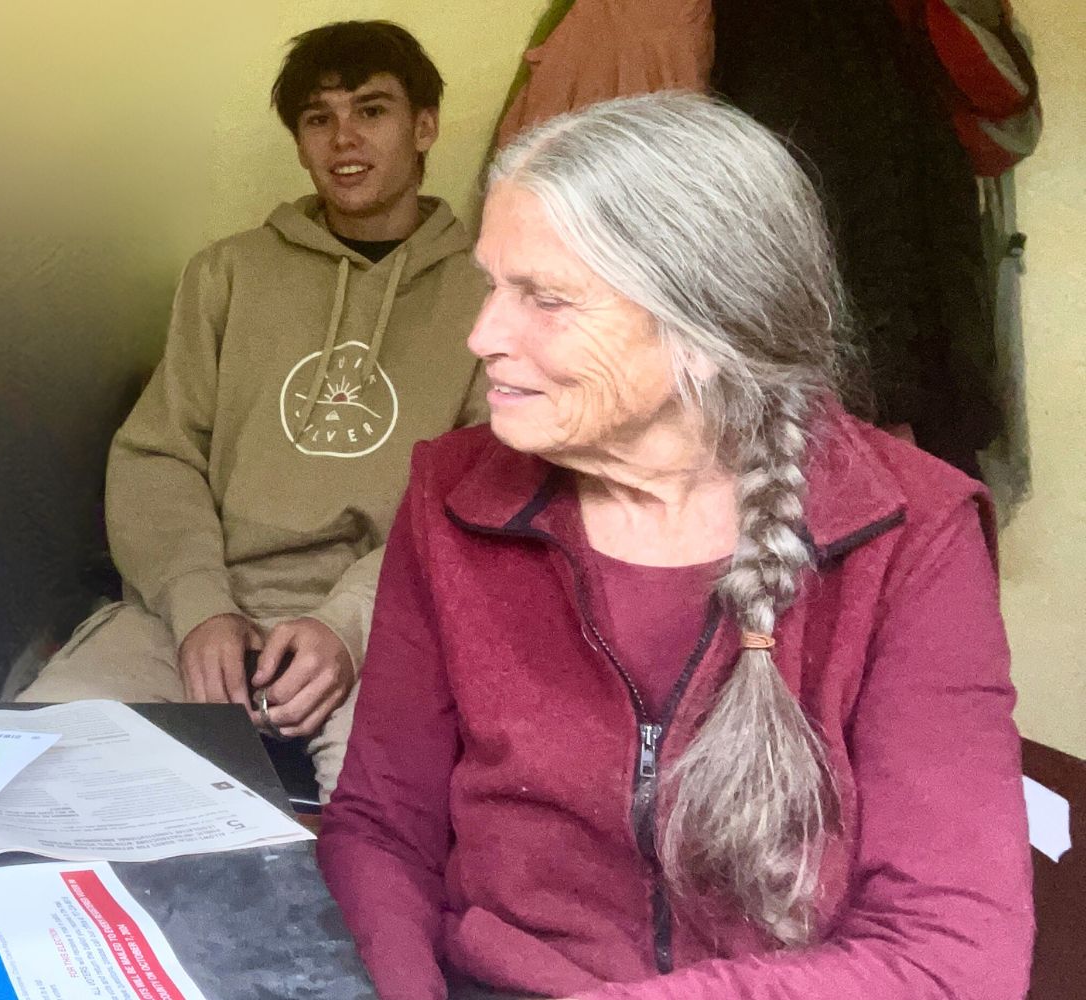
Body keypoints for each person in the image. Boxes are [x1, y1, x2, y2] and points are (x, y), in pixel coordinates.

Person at [319, 93, 1033, 999]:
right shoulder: (453, 496)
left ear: (707, 329)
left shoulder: (912, 530)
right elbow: (384, 827)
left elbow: (951, 956)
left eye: (544, 298)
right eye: (492, 284)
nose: (483, 337)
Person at [16, 20, 487, 801]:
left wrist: (350, 623)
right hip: (203, 610)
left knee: (397, 825)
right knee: (27, 769)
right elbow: (158, 457)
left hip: (388, 621)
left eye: (372, 110)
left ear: (425, 125)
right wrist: (201, 610)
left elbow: (474, 496)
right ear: (299, 143)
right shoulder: (227, 274)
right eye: (318, 118)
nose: (344, 138)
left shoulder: (491, 294)